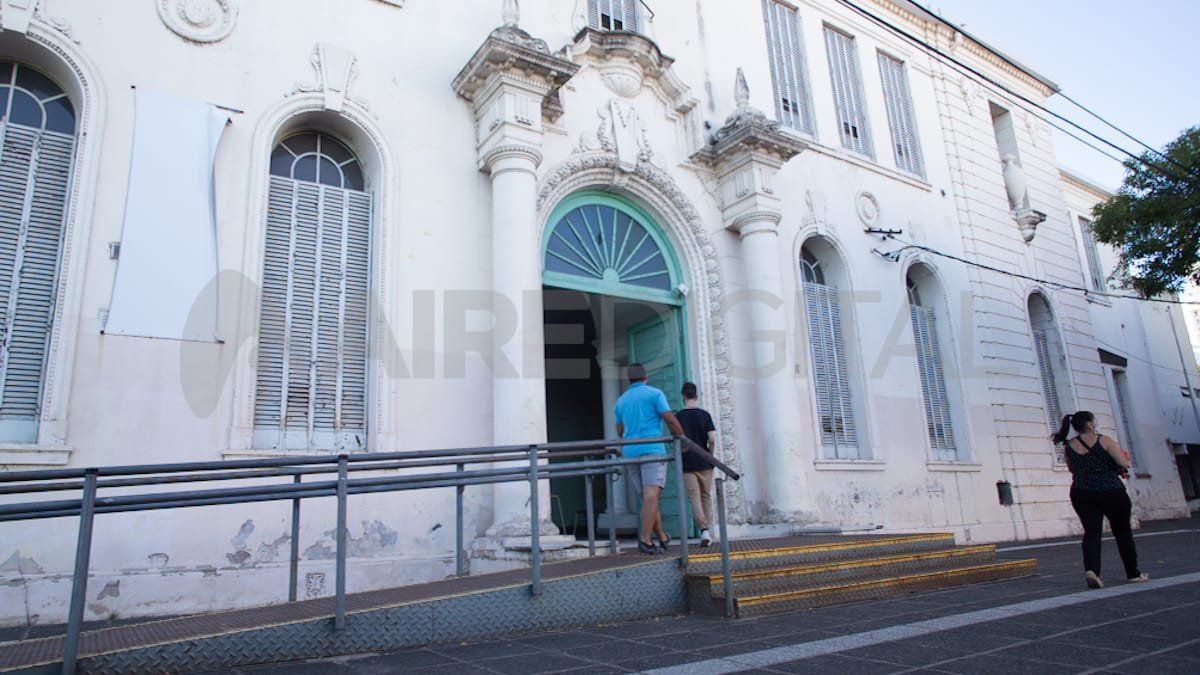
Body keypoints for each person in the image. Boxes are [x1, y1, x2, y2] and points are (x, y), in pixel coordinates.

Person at [1052, 411, 1149, 589]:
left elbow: (1072, 469)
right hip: (1111, 490)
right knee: (1122, 532)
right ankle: (1133, 573)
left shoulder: (1069, 445)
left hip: (1082, 492)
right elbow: (1123, 462)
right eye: (1093, 419)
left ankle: (1092, 571)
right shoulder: (1104, 440)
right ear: (1089, 424)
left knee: (1091, 532)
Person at [614, 363, 685, 555]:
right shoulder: (654, 394)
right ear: (646, 377)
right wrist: (682, 438)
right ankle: (645, 540)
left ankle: (661, 536)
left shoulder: (621, 401)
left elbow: (620, 430)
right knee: (651, 496)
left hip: (630, 452)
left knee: (647, 498)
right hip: (652, 449)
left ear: (629, 380)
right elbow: (669, 419)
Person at [676, 382, 717, 547]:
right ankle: (707, 529)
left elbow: (676, 441)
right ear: (697, 395)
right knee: (706, 495)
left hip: (687, 463)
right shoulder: (705, 415)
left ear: (683, 396)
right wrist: (710, 456)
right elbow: (712, 439)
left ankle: (704, 530)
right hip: (705, 461)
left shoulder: (678, 417)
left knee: (694, 497)